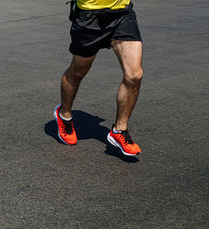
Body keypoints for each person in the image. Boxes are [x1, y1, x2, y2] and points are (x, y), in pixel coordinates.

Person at [53, 0, 143, 156]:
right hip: (89, 17)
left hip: (122, 14)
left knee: (134, 75)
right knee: (78, 72)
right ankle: (64, 115)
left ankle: (119, 130)